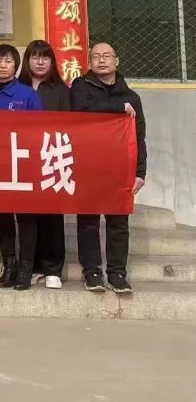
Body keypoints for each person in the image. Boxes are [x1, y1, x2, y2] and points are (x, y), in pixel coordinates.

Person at [70, 42, 147, 294]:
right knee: (88, 222)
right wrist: (118, 109)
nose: (102, 60)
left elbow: (139, 137)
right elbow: (82, 110)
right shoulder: (81, 86)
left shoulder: (131, 97)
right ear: (89, 62)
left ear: (117, 61)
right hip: (88, 165)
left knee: (118, 223)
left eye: (107, 56)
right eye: (96, 56)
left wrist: (140, 172)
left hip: (120, 168)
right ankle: (92, 271)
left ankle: (117, 273)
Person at [0, 43, 43, 291]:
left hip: (23, 165)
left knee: (26, 218)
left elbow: (39, 131)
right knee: (3, 217)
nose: (3, 66)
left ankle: (26, 268)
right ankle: (9, 266)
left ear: (16, 65)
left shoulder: (27, 95)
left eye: (8, 61)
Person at [19, 40, 71, 290]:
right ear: (27, 61)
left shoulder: (61, 90)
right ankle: (31, 266)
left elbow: (70, 126)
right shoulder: (17, 88)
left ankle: (52, 268)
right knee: (27, 217)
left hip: (51, 157)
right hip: (22, 160)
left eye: (45, 57)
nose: (40, 62)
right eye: (35, 57)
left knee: (52, 215)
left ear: (52, 62)